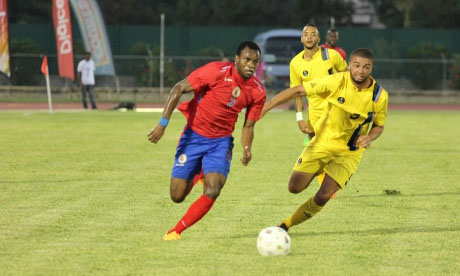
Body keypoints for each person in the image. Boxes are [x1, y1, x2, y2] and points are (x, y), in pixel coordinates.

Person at [147, 41, 266, 241]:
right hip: (193, 137)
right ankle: (200, 171)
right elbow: (178, 89)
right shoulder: (215, 71)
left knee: (213, 189)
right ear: (236, 59)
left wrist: (247, 148)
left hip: (221, 142)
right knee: (177, 196)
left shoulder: (257, 91)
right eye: (247, 59)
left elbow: (248, 126)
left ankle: (176, 231)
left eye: (255, 61)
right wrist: (162, 124)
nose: (251, 65)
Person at [262, 48, 388, 232]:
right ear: (350, 65)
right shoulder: (337, 81)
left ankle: (285, 225)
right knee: (294, 188)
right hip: (321, 144)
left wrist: (370, 136)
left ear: (371, 68)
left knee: (324, 195)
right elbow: (298, 90)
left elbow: (379, 125)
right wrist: (266, 107)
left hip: (348, 153)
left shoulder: (379, 96)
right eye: (357, 65)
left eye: (366, 67)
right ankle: (317, 169)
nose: (361, 70)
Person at [290, 24, 347, 142]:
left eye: (313, 35)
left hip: (336, 110)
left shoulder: (333, 55)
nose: (309, 38)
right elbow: (296, 93)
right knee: (315, 152)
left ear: (319, 39)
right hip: (314, 114)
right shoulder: (295, 63)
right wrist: (299, 118)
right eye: (306, 35)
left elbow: (348, 77)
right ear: (301, 38)